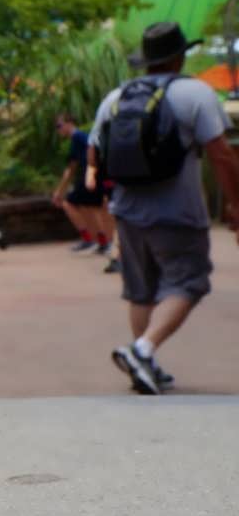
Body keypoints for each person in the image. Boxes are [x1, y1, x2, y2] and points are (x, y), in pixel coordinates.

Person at [85, 21, 239, 395]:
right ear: (180, 56)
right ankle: (142, 349)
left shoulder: (116, 97)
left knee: (142, 289)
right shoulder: (195, 94)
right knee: (190, 280)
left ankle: (145, 363)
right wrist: (236, 202)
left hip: (127, 211)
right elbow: (221, 154)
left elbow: (94, 151)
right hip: (178, 211)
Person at [50, 113, 116, 268]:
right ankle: (101, 241)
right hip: (92, 176)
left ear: (69, 123)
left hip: (91, 176)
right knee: (91, 207)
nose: (58, 130)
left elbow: (72, 167)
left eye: (59, 126)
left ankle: (92, 240)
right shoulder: (79, 138)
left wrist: (59, 191)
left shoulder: (78, 137)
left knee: (72, 204)